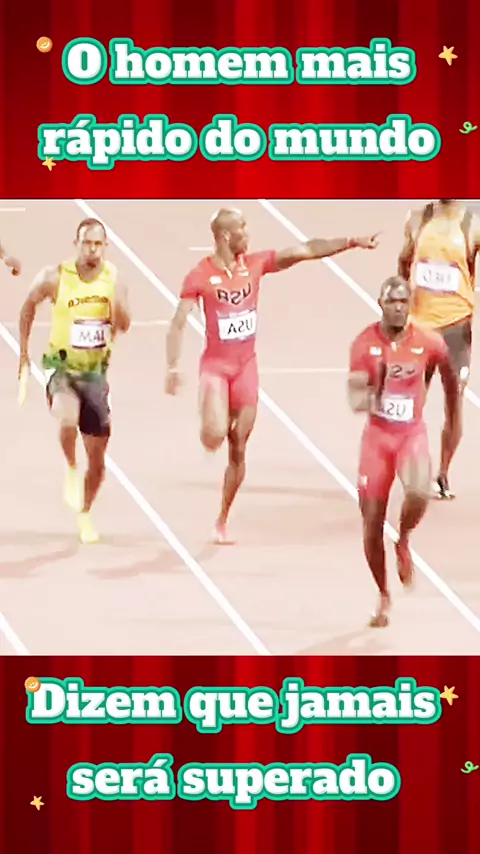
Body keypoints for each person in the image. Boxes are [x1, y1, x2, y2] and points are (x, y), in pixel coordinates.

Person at [166, 206, 379, 544]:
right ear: (225, 235)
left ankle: (222, 519)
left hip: (246, 368)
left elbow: (305, 250)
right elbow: (178, 322)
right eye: (242, 228)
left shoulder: (255, 264)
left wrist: (351, 241)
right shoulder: (200, 275)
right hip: (216, 368)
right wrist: (172, 366)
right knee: (216, 435)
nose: (248, 234)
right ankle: (210, 419)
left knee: (238, 447)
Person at [348, 276, 460, 628]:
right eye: (391, 302)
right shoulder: (364, 344)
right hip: (378, 439)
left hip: (410, 434)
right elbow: (355, 401)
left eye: (403, 302)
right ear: (380, 304)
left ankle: (404, 539)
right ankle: (383, 594)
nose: (398, 308)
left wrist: (453, 413)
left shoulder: (428, 341)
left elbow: (449, 375)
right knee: (371, 524)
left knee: (418, 491)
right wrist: (376, 390)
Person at [18, 218, 131, 544]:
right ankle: (70, 465)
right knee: (66, 416)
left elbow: (124, 324)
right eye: (86, 243)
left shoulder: (114, 280)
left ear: (105, 246)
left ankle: (85, 512)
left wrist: (118, 310)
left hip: (95, 373)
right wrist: (24, 354)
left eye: (97, 244)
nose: (92, 249)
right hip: (61, 366)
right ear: (76, 244)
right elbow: (28, 307)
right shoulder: (56, 276)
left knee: (98, 463)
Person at [398, 198, 480, 499]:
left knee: (453, 403)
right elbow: (404, 262)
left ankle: (443, 473)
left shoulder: (472, 225)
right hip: (419, 327)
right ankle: (413, 465)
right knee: (410, 402)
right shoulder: (418, 219)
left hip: (456, 328)